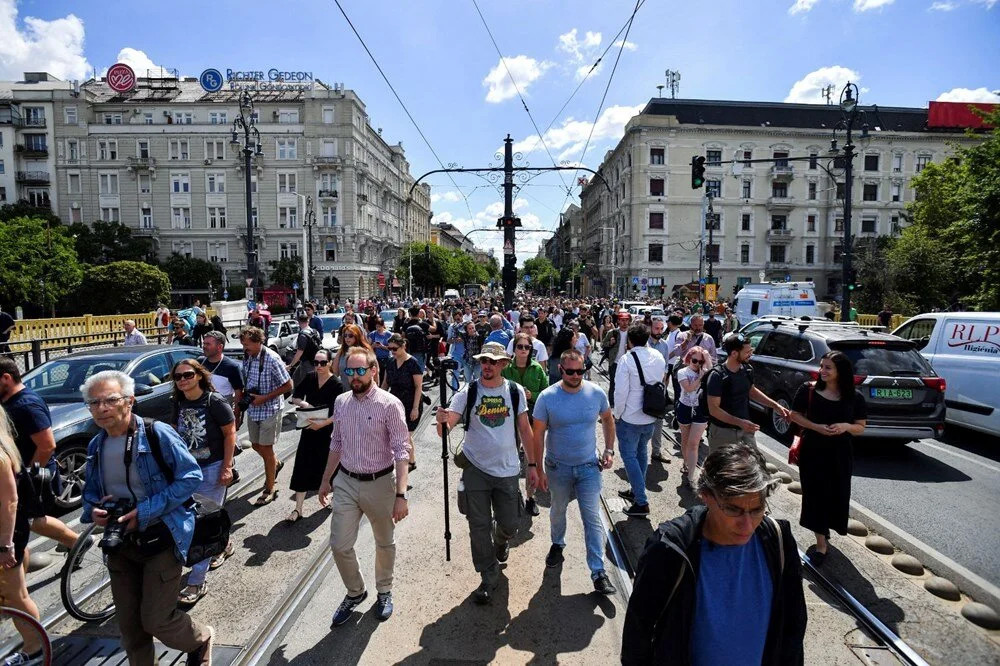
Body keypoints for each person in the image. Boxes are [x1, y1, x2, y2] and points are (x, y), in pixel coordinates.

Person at [621, 443, 806, 665]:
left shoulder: (778, 540)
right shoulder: (670, 549)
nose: (747, 525)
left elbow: (793, 627)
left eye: (757, 510)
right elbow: (638, 634)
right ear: (705, 495)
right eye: (733, 509)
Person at [79, 370, 214, 666]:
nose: (101, 408)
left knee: (156, 620)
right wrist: (94, 511)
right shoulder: (95, 446)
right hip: (120, 542)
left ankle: (200, 638)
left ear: (129, 401)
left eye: (110, 400)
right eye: (94, 402)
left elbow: (191, 476)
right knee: (130, 626)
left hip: (161, 537)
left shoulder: (156, 433)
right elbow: (89, 495)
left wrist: (146, 509)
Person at [435, 342, 536, 605]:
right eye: (484, 361)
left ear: (504, 364)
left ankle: (501, 540)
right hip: (476, 469)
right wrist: (442, 421)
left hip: (508, 469)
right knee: (477, 526)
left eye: (493, 361)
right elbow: (447, 428)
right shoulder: (468, 392)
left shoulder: (514, 392)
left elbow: (525, 430)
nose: (488, 365)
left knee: (511, 524)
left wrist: (534, 466)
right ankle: (488, 574)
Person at [318, 347, 410, 626]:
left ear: (373, 371)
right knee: (339, 544)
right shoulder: (342, 401)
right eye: (349, 370)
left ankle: (384, 591)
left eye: (360, 370)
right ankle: (356, 592)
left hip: (380, 483)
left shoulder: (389, 404)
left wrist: (401, 495)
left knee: (384, 542)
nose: (354, 376)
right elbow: (336, 442)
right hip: (346, 480)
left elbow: (402, 451)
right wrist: (326, 480)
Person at [532, 349, 617, 594]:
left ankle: (598, 571)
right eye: (570, 371)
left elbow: (608, 419)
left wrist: (609, 449)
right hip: (557, 467)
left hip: (589, 466)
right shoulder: (548, 397)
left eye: (580, 371)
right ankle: (557, 544)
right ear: (561, 370)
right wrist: (538, 469)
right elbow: (538, 435)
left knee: (592, 518)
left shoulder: (595, 392)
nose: (576, 376)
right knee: (558, 509)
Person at [788, 351, 867, 565]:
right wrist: (816, 427)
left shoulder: (855, 397)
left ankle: (827, 529)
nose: (822, 371)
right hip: (813, 451)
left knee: (837, 495)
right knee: (815, 495)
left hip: (840, 453)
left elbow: (860, 427)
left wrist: (846, 427)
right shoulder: (808, 390)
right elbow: (794, 415)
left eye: (827, 367)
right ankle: (821, 544)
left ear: (840, 371)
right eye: (821, 366)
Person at [170, 359, 237, 606]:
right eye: (178, 377)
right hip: (187, 471)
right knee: (187, 520)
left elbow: (230, 433)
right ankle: (224, 543)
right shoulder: (177, 402)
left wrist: (227, 467)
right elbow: (176, 433)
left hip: (212, 468)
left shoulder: (214, 401)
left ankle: (197, 580)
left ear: (199, 375)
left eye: (187, 375)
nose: (183, 380)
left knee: (204, 524)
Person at [0, 358, 81, 552]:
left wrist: (27, 476)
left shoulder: (27, 405)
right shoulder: (10, 401)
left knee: (30, 522)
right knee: (26, 522)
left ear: (6, 378)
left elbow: (46, 446)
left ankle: (78, 542)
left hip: (30, 473)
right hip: (17, 473)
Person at [0, 406, 42, 666]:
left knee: (15, 596)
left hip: (5, 534)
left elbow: (9, 502)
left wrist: (5, 545)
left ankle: (36, 647)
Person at [286, 349, 345, 524]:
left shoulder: (337, 384)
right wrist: (304, 403)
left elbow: (339, 413)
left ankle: (333, 498)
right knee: (302, 466)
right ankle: (298, 508)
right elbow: (295, 397)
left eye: (322, 363)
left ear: (329, 363)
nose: (318, 366)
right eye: (316, 362)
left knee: (330, 467)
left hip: (328, 432)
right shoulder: (310, 377)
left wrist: (323, 423)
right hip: (309, 428)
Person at [613, 323, 666, 518]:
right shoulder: (658, 356)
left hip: (630, 416)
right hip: (650, 415)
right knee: (641, 453)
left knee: (629, 457)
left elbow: (620, 392)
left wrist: (617, 414)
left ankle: (641, 501)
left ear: (630, 341)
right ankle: (636, 490)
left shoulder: (627, 359)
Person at [237, 326, 293, 506]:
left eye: (247, 344)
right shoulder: (248, 356)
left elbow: (288, 385)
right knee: (255, 445)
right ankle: (275, 463)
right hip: (254, 409)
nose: (244, 348)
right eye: (243, 344)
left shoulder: (272, 358)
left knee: (266, 449)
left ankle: (270, 488)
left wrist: (265, 397)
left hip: (270, 409)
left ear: (258, 341)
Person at [706, 333, 789, 453]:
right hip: (723, 432)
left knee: (753, 464)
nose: (751, 354)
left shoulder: (747, 370)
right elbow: (714, 410)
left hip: (745, 430)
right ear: (734, 353)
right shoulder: (717, 376)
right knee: (720, 469)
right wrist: (739, 422)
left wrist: (775, 406)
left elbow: (751, 391)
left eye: (751, 350)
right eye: (747, 352)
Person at [502, 332, 549, 516]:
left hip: (533, 418)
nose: (523, 350)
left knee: (534, 459)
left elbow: (545, 394)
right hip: (510, 419)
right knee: (510, 458)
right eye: (519, 347)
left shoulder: (537, 369)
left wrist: (532, 396)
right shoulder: (505, 368)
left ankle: (531, 497)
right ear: (514, 349)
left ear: (531, 349)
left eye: (527, 347)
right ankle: (512, 494)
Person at [382, 334, 422, 472]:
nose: (392, 351)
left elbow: (418, 387)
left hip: (411, 402)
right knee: (399, 434)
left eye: (395, 348)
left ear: (403, 346)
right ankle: (411, 460)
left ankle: (407, 463)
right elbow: (385, 384)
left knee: (406, 435)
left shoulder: (413, 363)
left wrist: (415, 408)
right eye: (390, 348)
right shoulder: (390, 362)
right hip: (394, 403)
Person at [676, 347, 713, 487]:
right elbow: (689, 388)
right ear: (689, 358)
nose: (697, 364)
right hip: (685, 408)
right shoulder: (682, 372)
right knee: (685, 441)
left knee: (693, 443)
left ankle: (691, 476)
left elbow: (714, 372)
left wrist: (708, 358)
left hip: (700, 410)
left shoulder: (706, 372)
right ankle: (686, 464)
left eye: (700, 361)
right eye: (695, 360)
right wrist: (700, 377)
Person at [646, 318, 672, 463]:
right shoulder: (644, 344)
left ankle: (656, 452)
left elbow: (666, 366)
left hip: (659, 389)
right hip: (645, 388)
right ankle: (640, 451)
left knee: (659, 420)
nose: (659, 331)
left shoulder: (664, 345)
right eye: (656, 328)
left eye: (661, 328)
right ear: (650, 328)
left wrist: (664, 384)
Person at [198, 331, 244, 408]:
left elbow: (238, 394)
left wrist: (236, 416)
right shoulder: (199, 362)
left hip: (223, 412)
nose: (204, 346)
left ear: (219, 347)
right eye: (204, 343)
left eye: (208, 344)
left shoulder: (232, 367)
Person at [602, 312, 632, 407]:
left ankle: (624, 405)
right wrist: (610, 343)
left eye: (626, 320)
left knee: (627, 385)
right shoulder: (613, 332)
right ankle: (611, 406)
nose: (624, 322)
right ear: (618, 321)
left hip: (628, 363)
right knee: (613, 385)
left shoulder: (631, 333)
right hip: (614, 363)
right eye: (622, 320)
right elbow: (603, 344)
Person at [286, 313, 322, 386]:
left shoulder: (302, 335)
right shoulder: (314, 331)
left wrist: (290, 365)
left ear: (299, 322)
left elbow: (299, 353)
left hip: (307, 363)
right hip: (314, 361)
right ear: (308, 321)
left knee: (305, 385)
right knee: (295, 378)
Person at [402, 307, 430, 374]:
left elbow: (403, 336)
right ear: (418, 314)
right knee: (419, 371)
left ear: (410, 314)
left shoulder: (406, 324)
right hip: (421, 350)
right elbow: (434, 329)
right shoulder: (422, 324)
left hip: (409, 350)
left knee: (410, 371)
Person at [368, 318, 393, 385]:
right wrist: (372, 346)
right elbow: (367, 348)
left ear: (383, 326)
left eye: (379, 326)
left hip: (386, 358)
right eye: (376, 327)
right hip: (376, 358)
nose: (378, 328)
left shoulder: (388, 334)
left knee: (385, 377)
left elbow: (392, 348)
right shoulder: (372, 334)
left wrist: (382, 346)